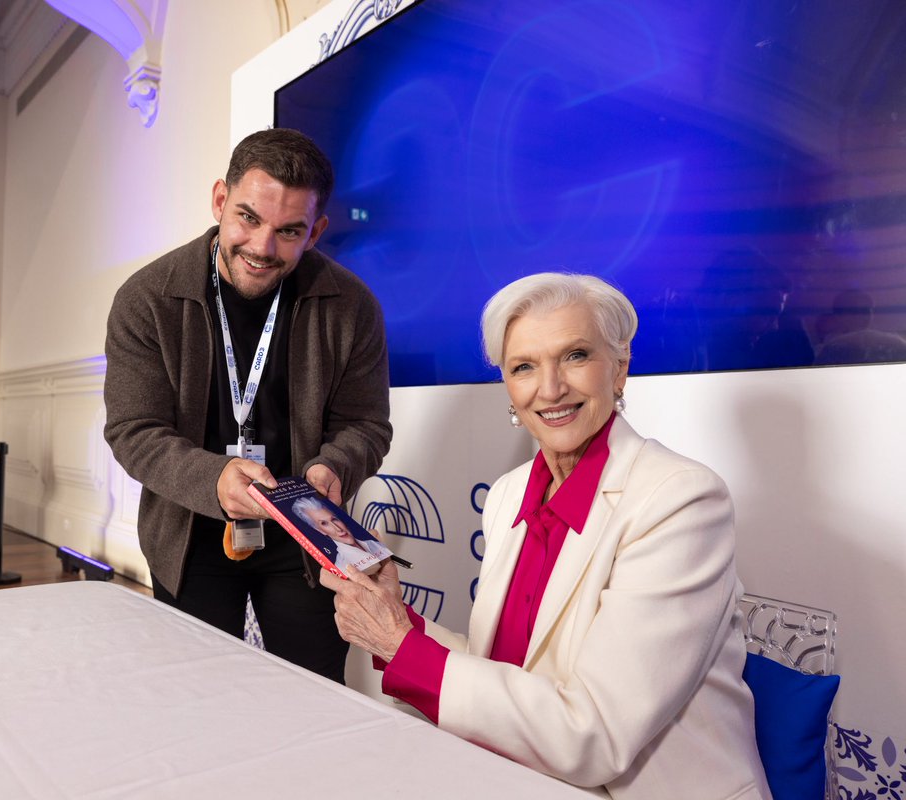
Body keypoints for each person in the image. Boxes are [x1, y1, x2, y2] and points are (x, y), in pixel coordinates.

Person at [321, 273, 770, 798]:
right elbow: (508, 671)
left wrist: (402, 647)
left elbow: (596, 733)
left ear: (620, 367)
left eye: (576, 356)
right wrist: (396, 624)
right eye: (524, 367)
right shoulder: (510, 495)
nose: (550, 388)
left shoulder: (681, 500)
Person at [103, 128, 392, 683]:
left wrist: (335, 467)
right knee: (199, 698)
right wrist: (217, 479)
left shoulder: (353, 306)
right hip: (189, 536)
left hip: (306, 540)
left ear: (317, 231)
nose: (262, 248)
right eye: (248, 218)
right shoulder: (146, 298)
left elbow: (366, 425)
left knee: (312, 698)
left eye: (289, 231)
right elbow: (134, 431)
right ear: (219, 200)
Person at [290, 494, 391, 574]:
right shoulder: (342, 564)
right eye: (324, 523)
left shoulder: (371, 542)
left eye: (334, 519)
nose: (338, 529)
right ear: (320, 530)